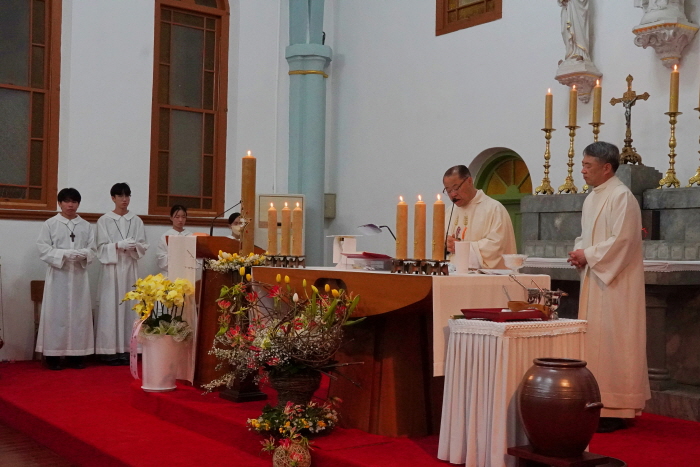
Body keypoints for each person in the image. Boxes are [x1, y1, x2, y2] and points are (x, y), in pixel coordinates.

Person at [567, 142, 650, 432]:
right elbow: (586, 235)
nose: (582, 170)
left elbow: (623, 241)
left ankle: (616, 407)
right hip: (596, 279)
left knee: (615, 343)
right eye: (582, 164)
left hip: (616, 286)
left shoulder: (622, 197)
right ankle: (596, 403)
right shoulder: (592, 198)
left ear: (606, 168)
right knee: (596, 343)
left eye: (587, 165)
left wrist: (588, 255)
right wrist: (580, 252)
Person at [36, 188, 96, 370]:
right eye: (67, 201)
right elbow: (43, 249)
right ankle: (53, 355)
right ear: (60, 203)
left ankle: (76, 354)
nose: (71, 205)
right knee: (56, 314)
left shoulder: (86, 226)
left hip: (78, 276)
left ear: (78, 204)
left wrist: (82, 254)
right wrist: (63, 254)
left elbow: (93, 249)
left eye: (74, 201)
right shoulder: (51, 224)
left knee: (79, 314)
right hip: (58, 276)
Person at [95, 183, 149, 366]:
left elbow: (143, 245)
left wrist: (135, 246)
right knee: (110, 307)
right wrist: (117, 245)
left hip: (130, 268)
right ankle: (108, 350)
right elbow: (99, 248)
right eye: (120, 196)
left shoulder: (136, 220)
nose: (124, 200)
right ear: (113, 198)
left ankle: (128, 349)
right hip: (112, 269)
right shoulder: (104, 220)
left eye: (127, 196)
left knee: (130, 308)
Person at [443, 165, 517, 269]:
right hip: (453, 274)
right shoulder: (449, 211)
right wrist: (445, 246)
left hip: (482, 277)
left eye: (456, 188)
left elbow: (497, 246)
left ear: (469, 181)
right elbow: (441, 249)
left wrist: (461, 248)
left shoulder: (494, 209)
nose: (453, 194)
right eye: (448, 191)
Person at [156, 205, 193, 275]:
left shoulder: (191, 236)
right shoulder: (165, 236)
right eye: (177, 217)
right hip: (170, 273)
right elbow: (161, 258)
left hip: (187, 272)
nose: (180, 220)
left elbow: (195, 257)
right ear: (171, 218)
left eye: (183, 217)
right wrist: (176, 257)